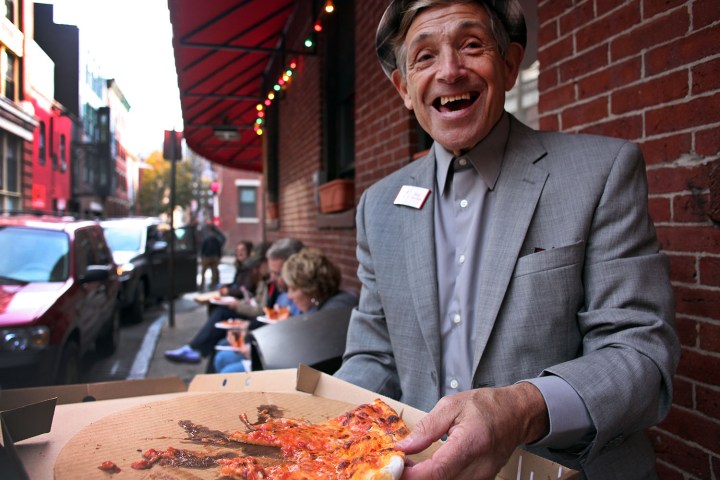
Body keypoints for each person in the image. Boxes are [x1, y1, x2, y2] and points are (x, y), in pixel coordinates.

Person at [333, 1, 680, 478]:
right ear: (404, 89)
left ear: (511, 64)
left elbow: (640, 354)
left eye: (471, 45)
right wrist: (326, 438)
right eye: (425, 56)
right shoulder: (378, 206)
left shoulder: (602, 173)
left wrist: (520, 409)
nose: (450, 71)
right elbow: (373, 354)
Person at [214, 247, 358, 373]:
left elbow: (305, 358)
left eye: (294, 289)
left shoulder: (336, 309)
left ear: (311, 288)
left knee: (227, 368)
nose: (289, 296)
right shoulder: (318, 304)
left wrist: (253, 353)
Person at [164, 238, 303, 364]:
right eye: (237, 251)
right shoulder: (267, 282)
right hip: (265, 334)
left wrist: (246, 323)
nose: (272, 277)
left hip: (269, 341)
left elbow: (266, 312)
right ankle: (197, 355)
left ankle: (196, 351)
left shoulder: (277, 287)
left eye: (277, 273)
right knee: (221, 339)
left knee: (223, 339)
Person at [198, 216, 226, 291]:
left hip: (209, 257)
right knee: (213, 272)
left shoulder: (207, 236)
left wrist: (201, 256)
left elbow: (202, 246)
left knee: (206, 272)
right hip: (213, 256)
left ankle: (204, 286)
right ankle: (211, 286)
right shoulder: (215, 237)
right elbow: (221, 242)